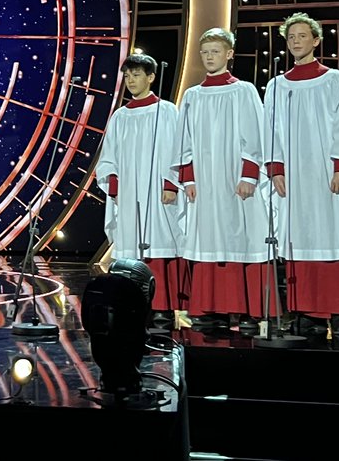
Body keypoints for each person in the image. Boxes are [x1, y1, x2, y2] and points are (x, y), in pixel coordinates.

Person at [265, 12, 339, 339]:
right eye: (291, 37)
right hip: (295, 177)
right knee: (300, 237)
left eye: (302, 35)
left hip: (329, 172)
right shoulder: (277, 85)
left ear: (316, 40)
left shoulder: (334, 79)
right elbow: (270, 131)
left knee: (337, 234)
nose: (296, 41)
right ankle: (309, 312)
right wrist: (275, 168)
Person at [178, 29, 271, 332]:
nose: (209, 57)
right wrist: (188, 179)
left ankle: (245, 311)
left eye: (215, 51)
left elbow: (254, 134)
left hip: (236, 180)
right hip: (204, 183)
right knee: (207, 240)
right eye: (205, 52)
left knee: (240, 237)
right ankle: (210, 308)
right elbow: (183, 142)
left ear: (229, 54)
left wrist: (249, 174)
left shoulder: (243, 91)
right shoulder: (192, 95)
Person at [94, 53, 184, 325]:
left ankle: (162, 307)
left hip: (158, 192)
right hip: (129, 193)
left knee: (159, 243)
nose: (130, 80)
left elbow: (178, 149)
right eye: (127, 76)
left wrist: (171, 184)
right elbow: (108, 157)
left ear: (151, 77)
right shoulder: (120, 116)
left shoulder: (166, 111)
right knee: (132, 246)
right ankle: (133, 305)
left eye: (136, 75)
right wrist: (114, 187)